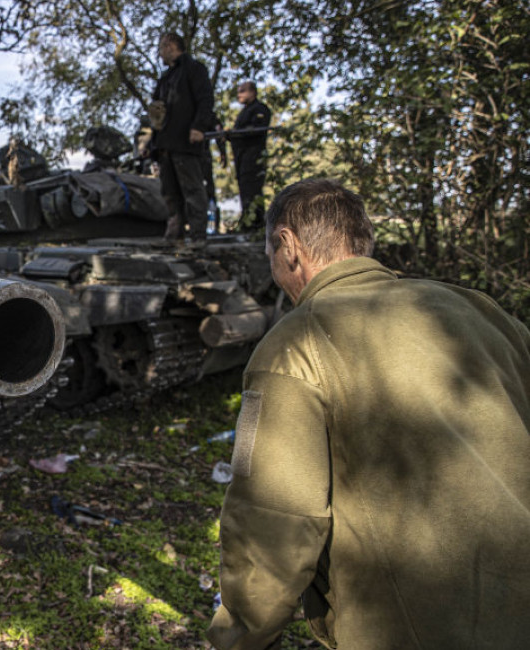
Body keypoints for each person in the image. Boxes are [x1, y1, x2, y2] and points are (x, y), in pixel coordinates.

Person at [207, 179, 530, 649]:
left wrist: (240, 638)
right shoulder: (483, 311)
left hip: (418, 627)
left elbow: (274, 516)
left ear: (288, 246)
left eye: (271, 253)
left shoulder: (295, 343)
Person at [150, 32, 214, 248]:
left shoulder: (194, 69)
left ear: (170, 46)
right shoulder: (165, 79)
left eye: (161, 47)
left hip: (186, 141)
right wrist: (151, 143)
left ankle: (198, 236)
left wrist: (198, 127)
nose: (159, 52)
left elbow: (205, 100)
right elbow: (156, 113)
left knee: (192, 189)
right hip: (165, 143)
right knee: (169, 191)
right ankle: (174, 234)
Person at [227, 82, 270, 231]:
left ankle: (255, 224)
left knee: (253, 189)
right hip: (241, 157)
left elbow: (255, 129)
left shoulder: (259, 109)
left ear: (252, 92)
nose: (239, 94)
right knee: (245, 190)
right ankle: (247, 221)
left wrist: (237, 134)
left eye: (242, 91)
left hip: (253, 157)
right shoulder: (244, 112)